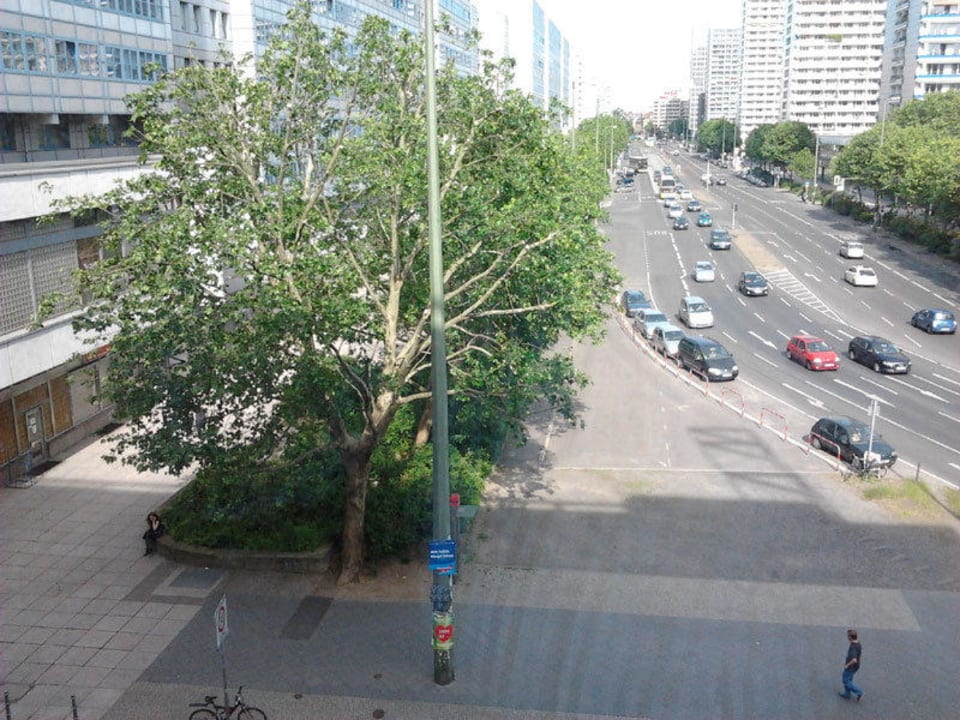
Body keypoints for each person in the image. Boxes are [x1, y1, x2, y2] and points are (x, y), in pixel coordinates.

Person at [839, 628, 863, 702]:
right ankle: (847, 694)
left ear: (850, 637)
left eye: (848, 636)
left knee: (846, 680)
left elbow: (854, 660)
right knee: (849, 679)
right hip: (855, 667)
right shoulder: (858, 643)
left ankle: (859, 692)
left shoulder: (853, 647)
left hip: (850, 667)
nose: (847, 637)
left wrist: (847, 665)